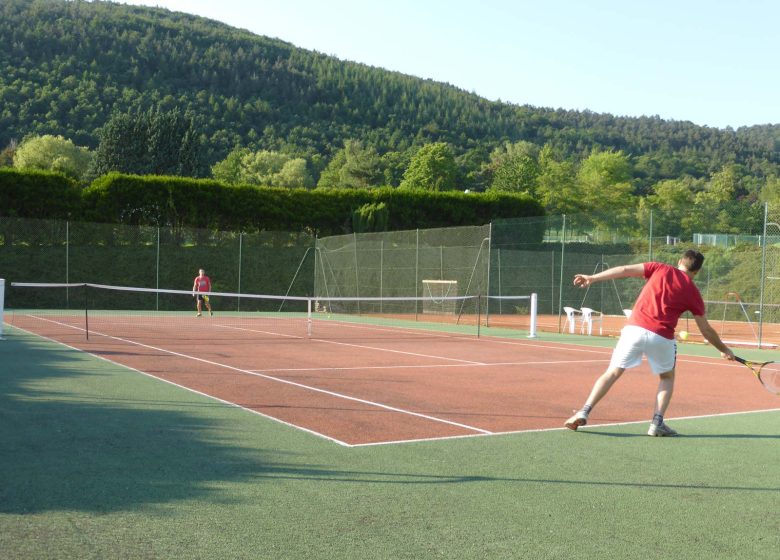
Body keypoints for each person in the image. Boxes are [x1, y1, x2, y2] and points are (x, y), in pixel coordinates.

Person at [564, 249, 735, 436]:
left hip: (634, 330)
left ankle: (584, 411)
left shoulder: (659, 268)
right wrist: (724, 349)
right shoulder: (693, 291)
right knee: (667, 377)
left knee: (612, 372)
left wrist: (592, 278)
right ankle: (657, 423)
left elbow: (623, 269)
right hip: (661, 336)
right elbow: (706, 329)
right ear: (697, 271)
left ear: (680, 261)